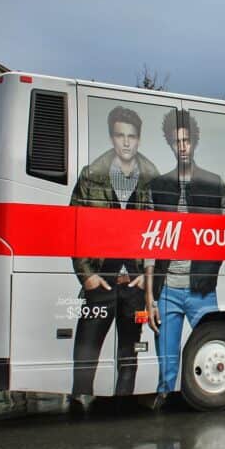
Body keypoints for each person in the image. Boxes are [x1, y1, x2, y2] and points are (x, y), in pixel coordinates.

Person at [69, 106, 159, 396]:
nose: (126, 142)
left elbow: (166, 234)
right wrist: (87, 276)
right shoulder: (91, 175)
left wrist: (149, 277)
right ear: (111, 137)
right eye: (120, 135)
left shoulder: (153, 178)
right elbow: (73, 228)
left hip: (135, 287)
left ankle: (122, 408)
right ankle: (79, 401)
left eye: (131, 136)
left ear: (139, 139)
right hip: (102, 283)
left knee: (129, 355)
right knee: (86, 353)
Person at [146, 110, 225, 396]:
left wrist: (209, 270)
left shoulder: (214, 183)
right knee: (166, 369)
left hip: (202, 291)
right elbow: (148, 245)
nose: (181, 146)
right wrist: (149, 296)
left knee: (215, 353)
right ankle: (165, 410)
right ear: (169, 144)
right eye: (175, 141)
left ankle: (209, 402)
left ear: (194, 141)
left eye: (186, 140)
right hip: (167, 289)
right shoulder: (158, 187)